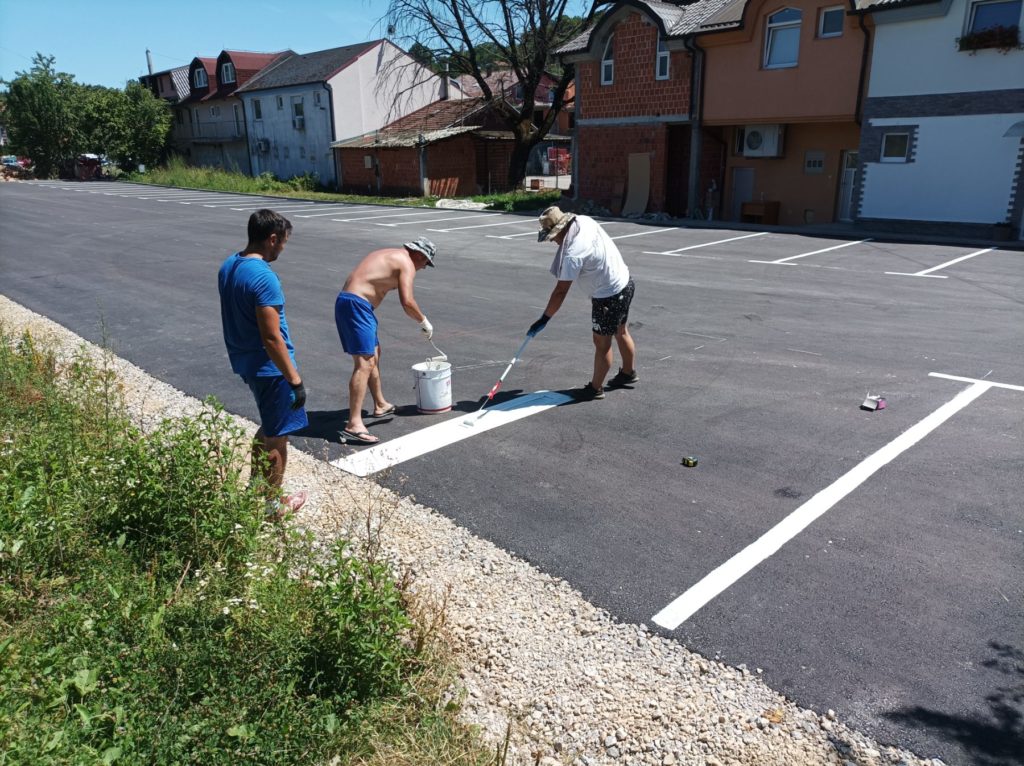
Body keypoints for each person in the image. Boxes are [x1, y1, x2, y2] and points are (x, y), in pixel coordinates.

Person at [218, 209, 308, 519]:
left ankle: (254, 488)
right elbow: (272, 338)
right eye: (283, 242)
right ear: (272, 239)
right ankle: (272, 508)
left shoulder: (230, 265)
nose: (283, 247)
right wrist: (294, 380)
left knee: (270, 425)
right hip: (270, 369)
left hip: (245, 361)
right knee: (277, 437)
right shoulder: (263, 277)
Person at [334, 237, 437, 444]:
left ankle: (380, 404)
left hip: (355, 304)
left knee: (374, 354)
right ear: (419, 255)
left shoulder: (389, 254)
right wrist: (424, 321)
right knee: (364, 363)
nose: (424, 268)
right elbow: (407, 301)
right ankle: (354, 424)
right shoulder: (406, 262)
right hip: (356, 305)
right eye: (425, 263)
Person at [529, 206, 637, 401]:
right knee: (621, 331)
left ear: (560, 229)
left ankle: (595, 389)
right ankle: (628, 374)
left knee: (602, 343)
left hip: (608, 296)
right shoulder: (583, 221)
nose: (553, 241)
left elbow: (561, 291)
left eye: (553, 236)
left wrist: (544, 318)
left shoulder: (573, 253)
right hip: (624, 282)